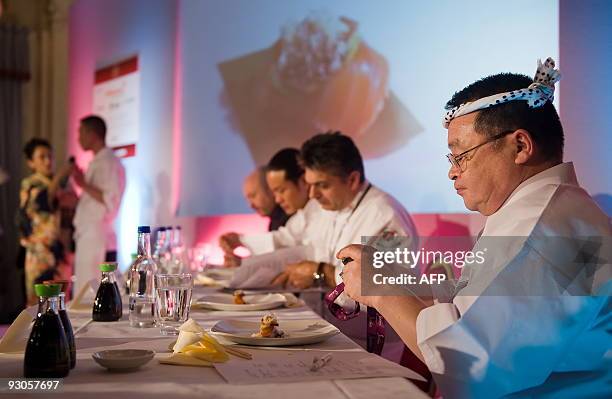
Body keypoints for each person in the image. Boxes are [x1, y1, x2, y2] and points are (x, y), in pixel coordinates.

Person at [337, 58, 611, 398]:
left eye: (462, 155)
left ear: (520, 146)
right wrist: (397, 281)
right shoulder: (547, 210)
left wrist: (380, 290)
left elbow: (466, 367)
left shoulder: (538, 232)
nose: (453, 172)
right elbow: (478, 297)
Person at [222, 132, 418, 289]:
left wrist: (320, 272)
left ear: (352, 180)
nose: (312, 194)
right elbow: (285, 240)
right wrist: (242, 243)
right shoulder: (324, 206)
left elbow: (384, 287)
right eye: (310, 184)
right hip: (329, 323)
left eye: (322, 185)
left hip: (369, 336)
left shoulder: (385, 216)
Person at [72, 115, 126, 294]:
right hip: (88, 233)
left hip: (97, 235)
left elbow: (110, 199)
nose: (78, 138)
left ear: (93, 134)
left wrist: (83, 184)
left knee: (91, 290)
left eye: (81, 133)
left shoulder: (109, 162)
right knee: (84, 288)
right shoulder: (99, 161)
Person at [19, 138, 73, 305]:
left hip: (60, 252)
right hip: (39, 253)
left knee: (63, 302)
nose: (48, 161)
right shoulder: (30, 184)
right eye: (42, 157)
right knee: (38, 304)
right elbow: (46, 201)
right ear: (31, 162)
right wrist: (60, 178)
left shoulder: (60, 185)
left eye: (50, 156)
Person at [265, 148, 309, 216]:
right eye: (274, 193)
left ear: (304, 181)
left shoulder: (328, 217)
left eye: (281, 191)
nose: (278, 200)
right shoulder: (290, 224)